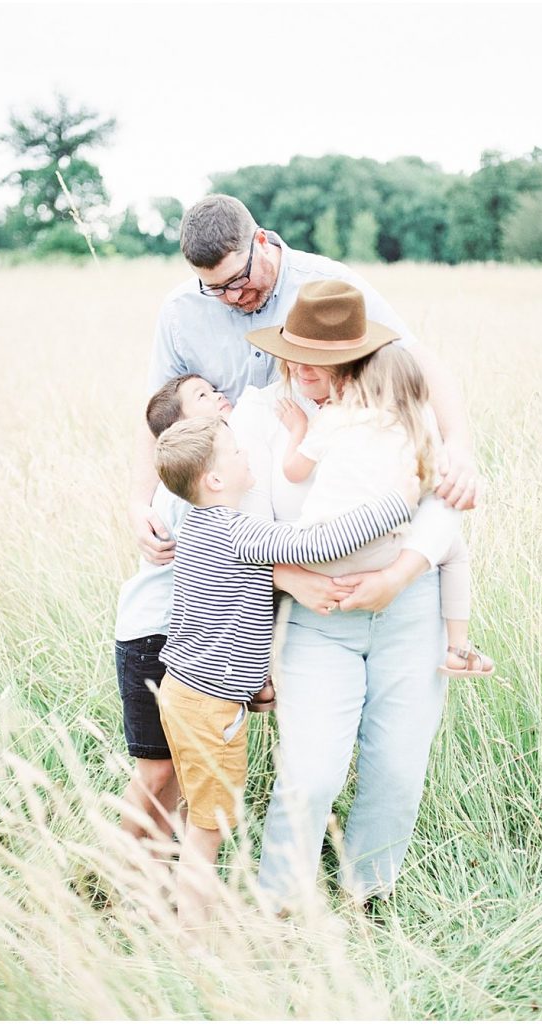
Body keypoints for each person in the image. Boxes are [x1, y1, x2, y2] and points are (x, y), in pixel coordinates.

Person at [229, 279, 472, 909]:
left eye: (328, 358)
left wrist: (399, 575)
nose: (307, 368)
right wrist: (289, 576)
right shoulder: (258, 417)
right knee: (312, 773)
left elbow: (445, 510)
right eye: (298, 352)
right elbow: (234, 527)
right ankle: (279, 904)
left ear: (359, 355)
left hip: (407, 608)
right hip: (317, 619)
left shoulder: (397, 409)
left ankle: (369, 897)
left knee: (396, 769)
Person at [128, 194, 481, 592]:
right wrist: (140, 502)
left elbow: (415, 360)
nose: (231, 296)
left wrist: (458, 446)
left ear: (261, 241)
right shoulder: (179, 312)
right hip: (227, 517)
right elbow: (155, 413)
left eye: (238, 280)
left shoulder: (328, 286)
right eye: (215, 289)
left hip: (318, 511)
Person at [152, 415, 422, 932]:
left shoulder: (196, 530)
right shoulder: (236, 531)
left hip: (186, 693)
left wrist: (250, 683)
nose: (245, 455)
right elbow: (318, 544)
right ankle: (193, 948)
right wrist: (397, 503)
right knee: (207, 833)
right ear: (213, 480)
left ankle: (191, 924)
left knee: (198, 816)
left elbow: (215, 619)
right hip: (209, 708)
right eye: (234, 452)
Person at [276, 340, 494, 678]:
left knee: (253, 553)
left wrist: (298, 430)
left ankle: (260, 672)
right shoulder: (415, 430)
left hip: (313, 554)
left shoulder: (333, 417)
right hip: (379, 556)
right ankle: (458, 647)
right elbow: (437, 490)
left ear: (350, 381)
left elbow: (293, 472)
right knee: (454, 552)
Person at [114, 373, 235, 842]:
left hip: (186, 637)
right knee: (157, 770)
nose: (218, 396)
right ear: (178, 431)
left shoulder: (215, 476)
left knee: (182, 771)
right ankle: (127, 878)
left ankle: (160, 881)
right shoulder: (189, 488)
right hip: (151, 636)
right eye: (202, 396)